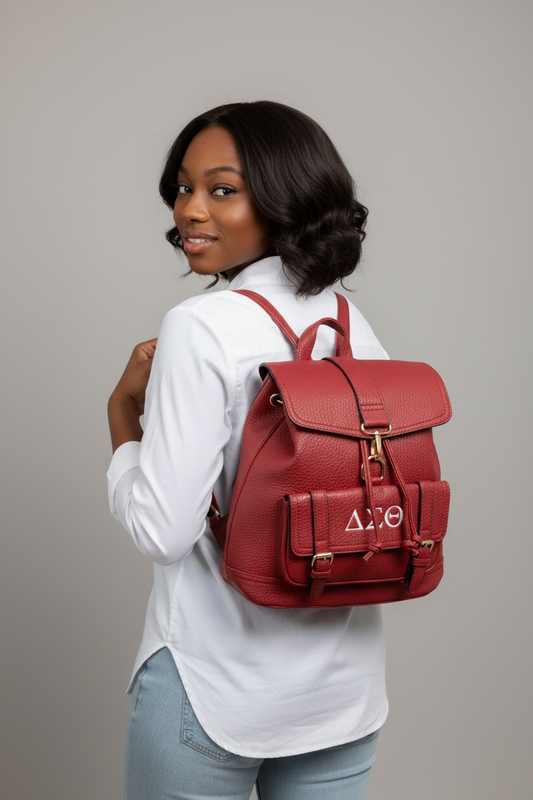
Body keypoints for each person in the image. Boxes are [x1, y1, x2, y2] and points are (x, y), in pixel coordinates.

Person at [107, 101, 388, 800]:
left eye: (221, 190)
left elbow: (162, 531)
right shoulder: (349, 323)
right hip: (341, 692)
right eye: (182, 187)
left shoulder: (199, 326)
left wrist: (120, 416)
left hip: (212, 687)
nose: (190, 211)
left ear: (284, 197)